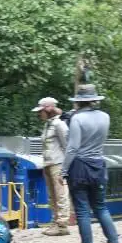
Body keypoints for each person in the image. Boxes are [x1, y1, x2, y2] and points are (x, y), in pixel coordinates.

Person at [61, 84, 121, 243]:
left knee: (82, 210)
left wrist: (63, 170)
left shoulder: (77, 119)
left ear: (78, 102)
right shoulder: (105, 117)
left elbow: (73, 147)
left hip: (80, 166)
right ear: (94, 100)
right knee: (101, 207)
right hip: (99, 164)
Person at [32, 97, 70, 235]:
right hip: (48, 164)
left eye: (40, 111)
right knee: (51, 196)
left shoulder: (59, 125)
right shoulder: (48, 125)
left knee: (61, 194)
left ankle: (62, 225)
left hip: (58, 164)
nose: (38, 114)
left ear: (48, 109)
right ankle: (55, 222)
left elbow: (67, 146)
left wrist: (66, 167)